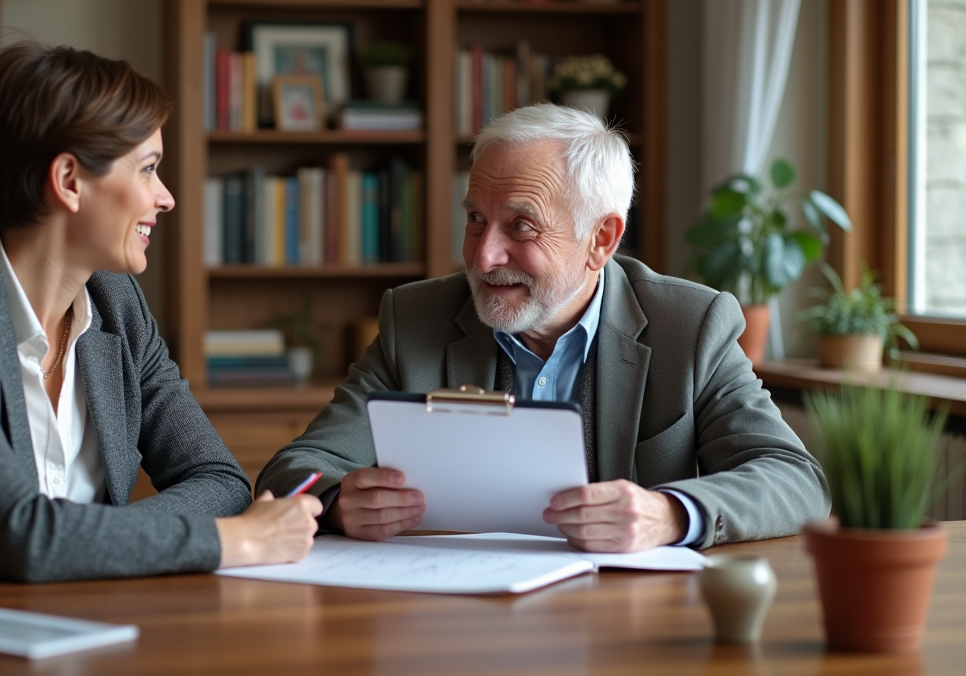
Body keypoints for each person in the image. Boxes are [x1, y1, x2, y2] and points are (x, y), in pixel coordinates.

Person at [0, 43, 321, 581]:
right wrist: (238, 539)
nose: (167, 197)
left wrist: (74, 542)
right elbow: (26, 537)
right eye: (148, 169)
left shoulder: (117, 304)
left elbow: (218, 478)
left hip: (72, 617)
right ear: (68, 181)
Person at [257, 104, 829, 552]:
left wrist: (671, 513)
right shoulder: (417, 320)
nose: (483, 258)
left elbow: (796, 482)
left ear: (601, 239)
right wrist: (335, 501)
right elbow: (294, 469)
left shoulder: (689, 326)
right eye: (475, 219)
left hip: (630, 626)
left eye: (521, 227)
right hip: (455, 618)